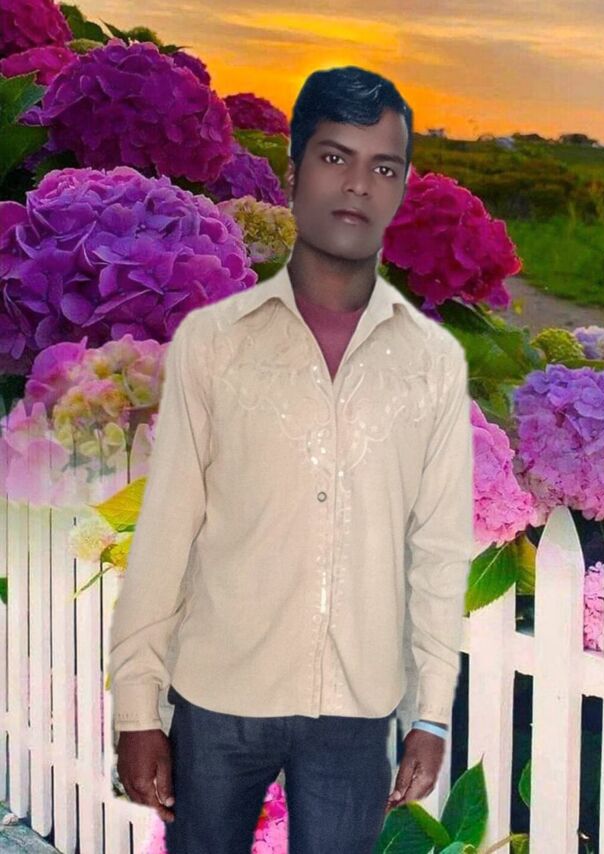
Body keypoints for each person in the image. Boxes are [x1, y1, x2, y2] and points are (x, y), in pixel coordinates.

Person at [109, 65, 475, 854]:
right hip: (218, 697)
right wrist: (138, 709)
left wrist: (433, 713)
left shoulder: (432, 363)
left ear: (402, 187)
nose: (358, 185)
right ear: (294, 171)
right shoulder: (216, 343)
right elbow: (167, 528)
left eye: (384, 167)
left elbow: (440, 552)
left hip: (355, 713)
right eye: (335, 157)